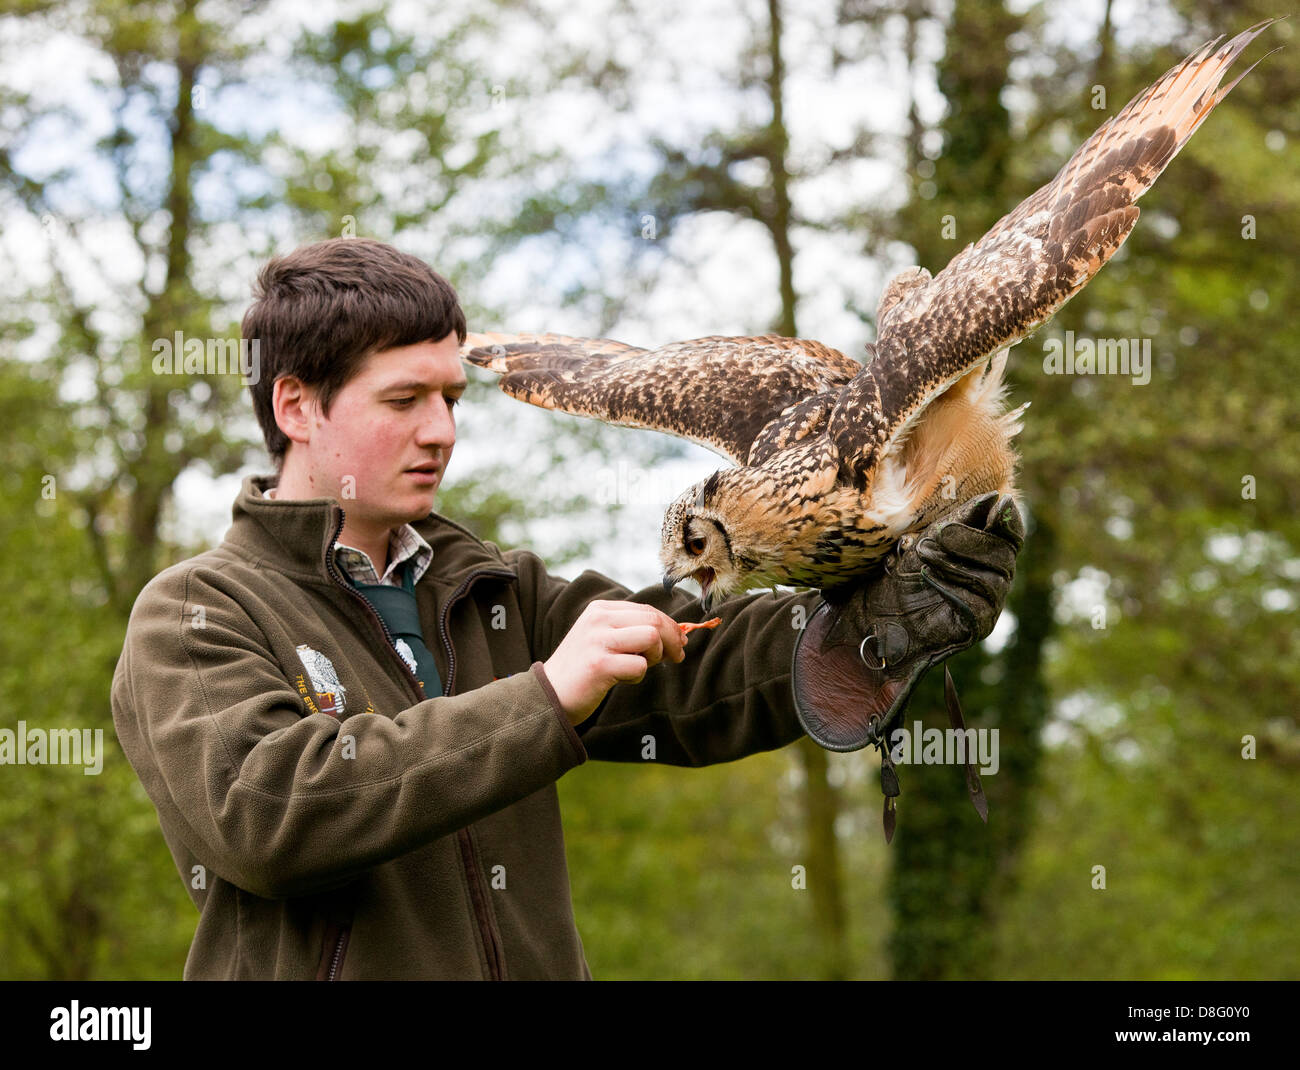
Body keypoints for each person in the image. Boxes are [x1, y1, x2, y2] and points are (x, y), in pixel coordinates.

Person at [110, 237, 1021, 980]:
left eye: (451, 398)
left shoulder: (494, 591)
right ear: (296, 406)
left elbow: (696, 667)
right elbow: (268, 816)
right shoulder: (196, 613)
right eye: (404, 400)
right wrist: (545, 699)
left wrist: (871, 625)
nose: (441, 431)